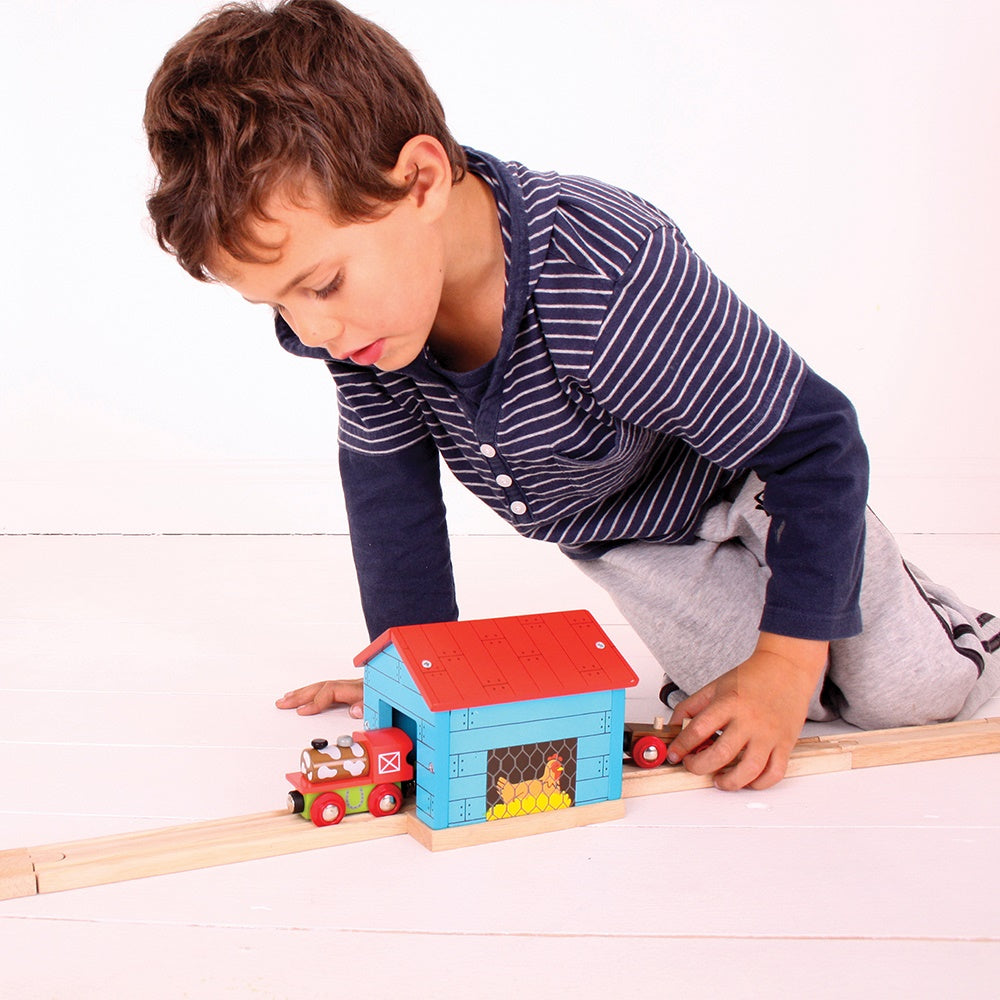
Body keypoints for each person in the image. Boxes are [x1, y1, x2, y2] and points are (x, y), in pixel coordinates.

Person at [143, 0, 999, 790]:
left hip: (763, 487)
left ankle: (965, 631)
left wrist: (785, 658)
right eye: (278, 303)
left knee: (906, 696)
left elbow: (817, 443)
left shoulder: (604, 277)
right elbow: (389, 497)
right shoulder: (366, 332)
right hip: (641, 544)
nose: (312, 330)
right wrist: (411, 677)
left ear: (422, 181)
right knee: (754, 715)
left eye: (322, 282)